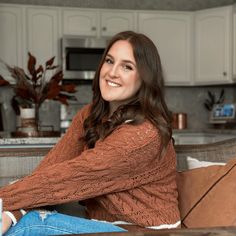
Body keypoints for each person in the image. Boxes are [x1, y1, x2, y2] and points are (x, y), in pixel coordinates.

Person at [0, 31, 180, 235]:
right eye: (109, 61)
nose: (112, 72)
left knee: (31, 224)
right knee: (17, 219)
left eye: (127, 67)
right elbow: (50, 171)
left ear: (145, 78)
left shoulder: (144, 134)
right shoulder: (90, 114)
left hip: (147, 231)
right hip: (104, 227)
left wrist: (7, 202)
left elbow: (72, 176)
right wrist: (15, 209)